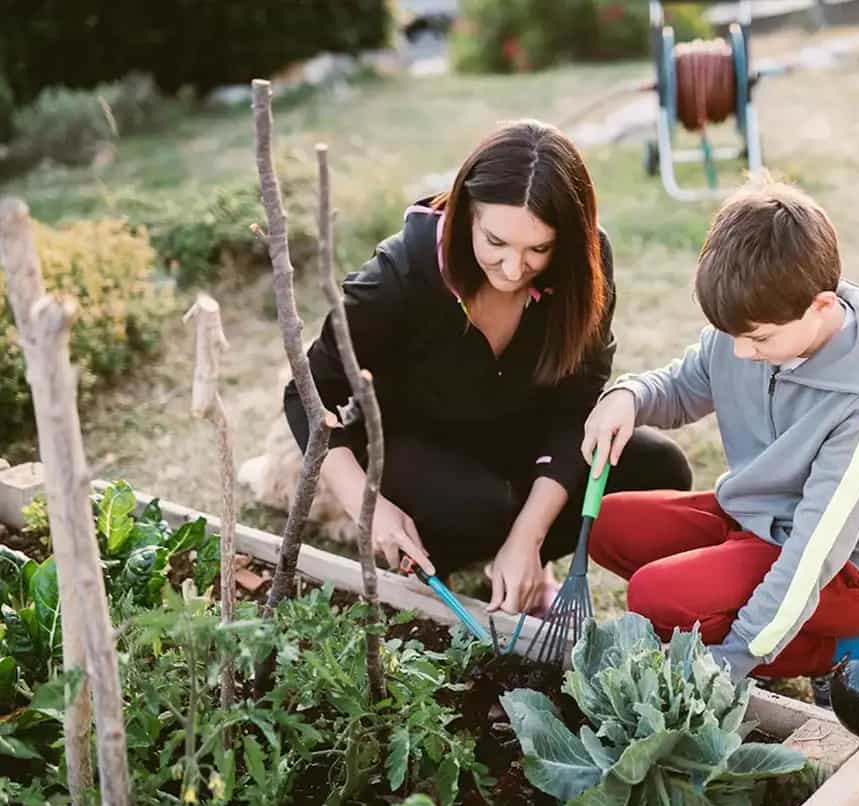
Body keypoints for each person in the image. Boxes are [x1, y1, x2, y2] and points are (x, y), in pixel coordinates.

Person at [285, 120, 692, 616]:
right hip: (419, 454)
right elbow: (308, 393)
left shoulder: (585, 265)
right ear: (465, 215)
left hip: (523, 444)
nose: (514, 269)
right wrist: (368, 507)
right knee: (482, 507)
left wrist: (530, 537)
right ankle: (453, 551)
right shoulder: (400, 274)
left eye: (538, 249)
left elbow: (577, 405)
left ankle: (519, 560)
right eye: (495, 242)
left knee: (658, 467)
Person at [581, 178, 859, 683]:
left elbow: (813, 552)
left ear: (822, 307)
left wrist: (733, 658)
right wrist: (627, 395)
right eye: (732, 335)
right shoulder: (754, 323)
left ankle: (835, 652)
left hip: (848, 569)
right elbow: (685, 385)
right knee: (605, 525)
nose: (741, 352)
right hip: (754, 519)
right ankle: (762, 619)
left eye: (758, 338)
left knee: (655, 596)